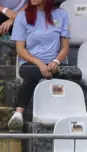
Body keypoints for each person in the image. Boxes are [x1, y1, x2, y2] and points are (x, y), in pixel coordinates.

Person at [8, 0, 81, 130]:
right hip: (30, 63)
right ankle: (18, 113)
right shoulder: (22, 16)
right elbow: (20, 49)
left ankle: (74, 114)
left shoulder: (61, 15)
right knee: (33, 74)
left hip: (54, 64)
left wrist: (56, 62)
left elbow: (65, 48)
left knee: (75, 73)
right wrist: (39, 63)